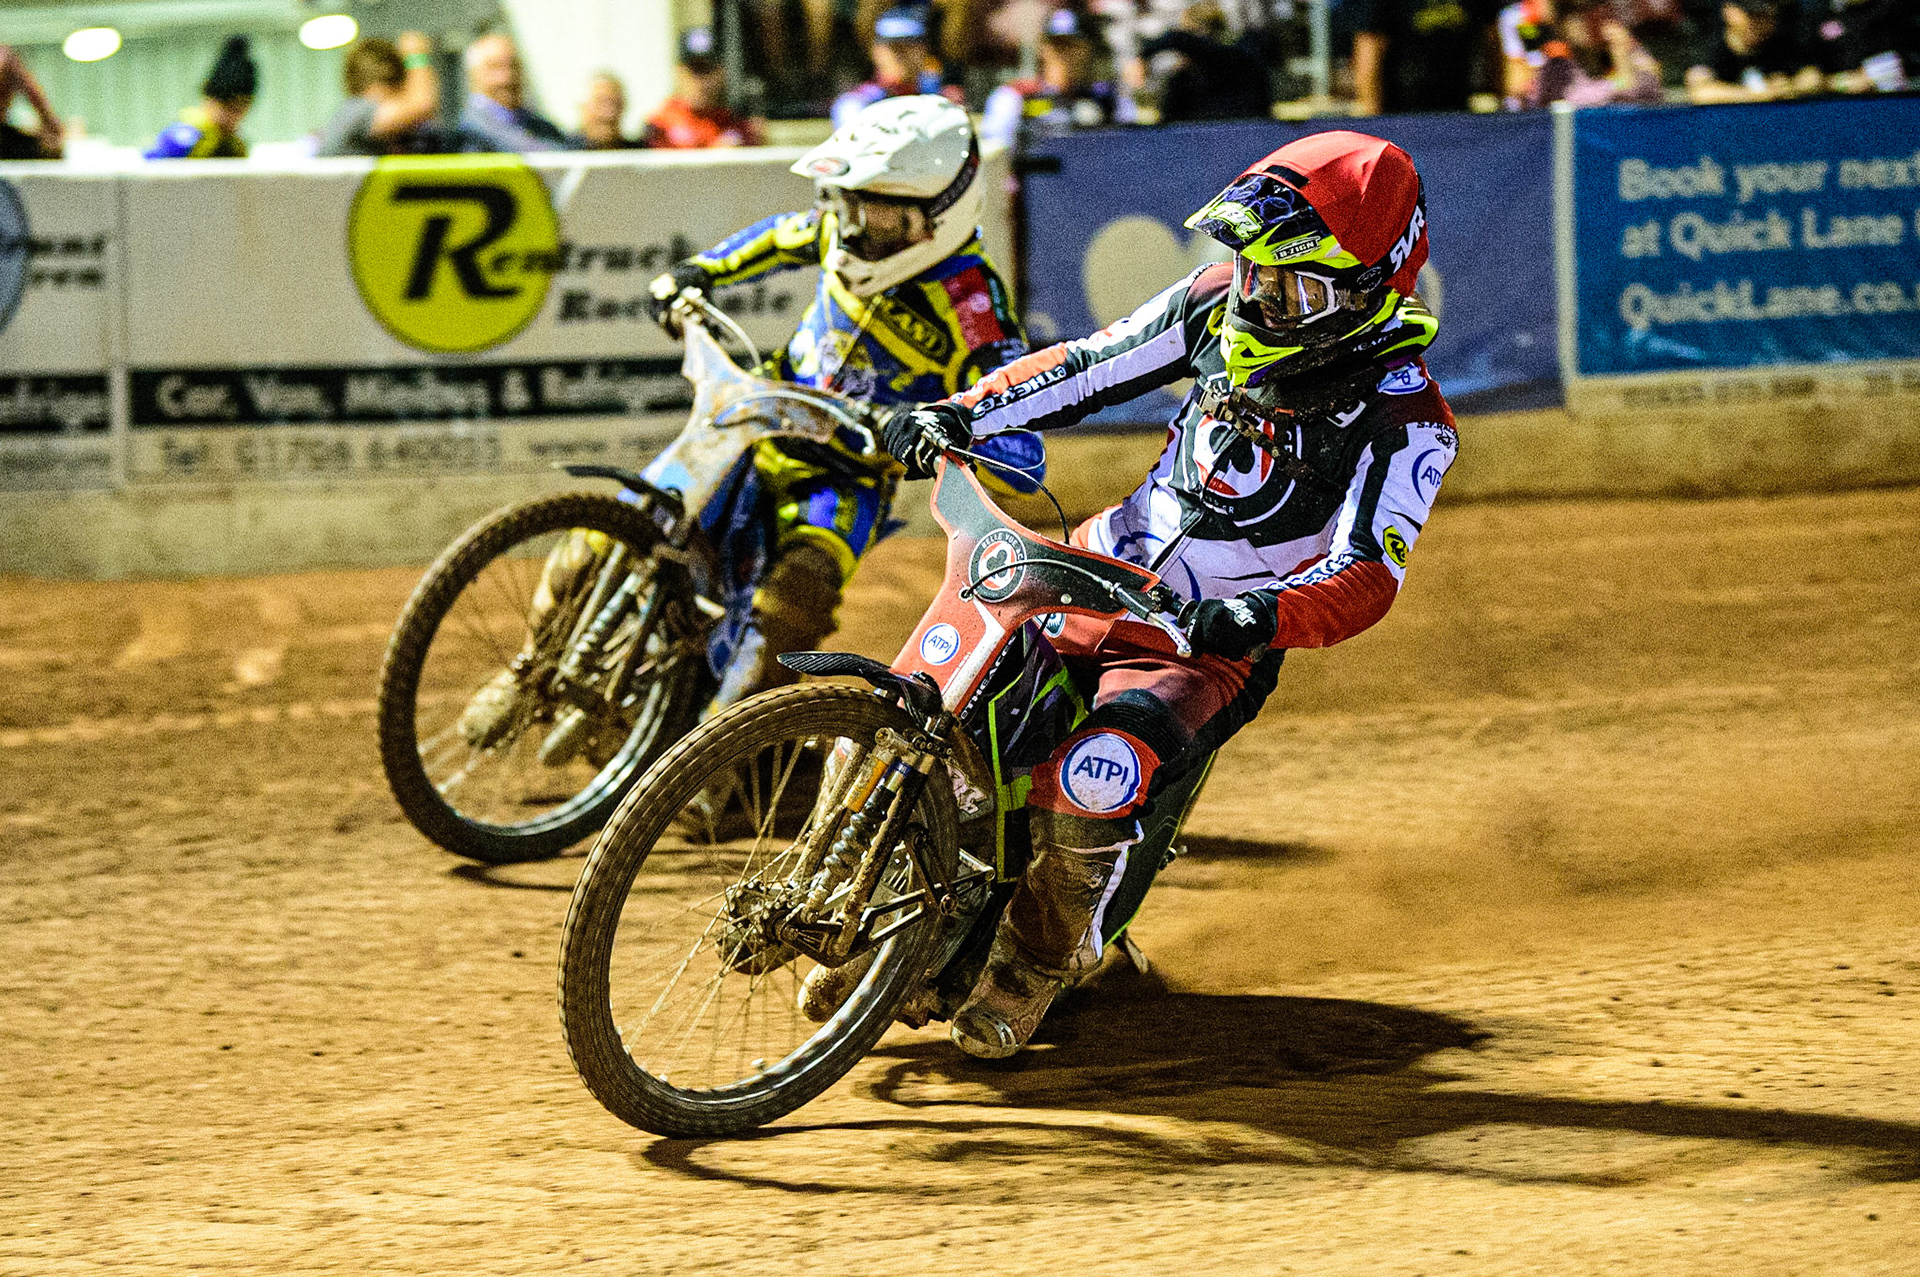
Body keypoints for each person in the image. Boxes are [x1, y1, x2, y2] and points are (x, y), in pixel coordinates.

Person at [880, 130, 1458, 1058]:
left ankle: (1032, 969)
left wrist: (1260, 613)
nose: (1261, 296)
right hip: (1092, 569)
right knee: (926, 714)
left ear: (1369, 284)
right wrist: (963, 412)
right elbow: (1084, 366)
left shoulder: (1406, 419)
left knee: (1086, 790)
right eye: (1255, 270)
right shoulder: (1214, 306)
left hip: (1203, 643)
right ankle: (891, 920)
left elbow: (1367, 574)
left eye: (1293, 284)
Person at [630, 97, 1043, 717]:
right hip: (758, 420)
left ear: (941, 216)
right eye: (848, 205)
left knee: (789, 610)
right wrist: (699, 271)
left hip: (846, 479)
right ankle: (527, 671)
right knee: (614, 526)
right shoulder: (838, 229)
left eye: (879, 215)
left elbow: (1023, 458)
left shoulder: (973, 308)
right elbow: (777, 237)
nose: (853, 231)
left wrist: (937, 434)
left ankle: (728, 759)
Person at [981, 7, 1129, 148]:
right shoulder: (1014, 97)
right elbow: (995, 154)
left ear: (1086, 49)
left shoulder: (1106, 99)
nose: (1064, 53)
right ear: (1043, 47)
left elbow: (1128, 145)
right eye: (1057, 44)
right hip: (1036, 171)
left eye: (1072, 45)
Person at [1347, 0, 1498, 114]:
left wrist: (1497, 94)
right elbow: (1369, 47)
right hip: (1400, 113)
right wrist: (1372, 112)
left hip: (1457, 108)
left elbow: (1492, 39)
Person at [832, 7, 967, 128]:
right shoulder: (858, 102)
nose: (901, 56)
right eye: (894, 48)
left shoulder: (941, 97)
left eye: (910, 46)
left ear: (924, 50)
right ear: (876, 51)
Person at [1140, 1, 1274, 122]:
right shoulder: (1183, 79)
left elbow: (1180, 39)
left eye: (1189, 32)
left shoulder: (1236, 62)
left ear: (1200, 33)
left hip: (1239, 131)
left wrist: (1142, 55)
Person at [315, 32, 443, 156]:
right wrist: (416, 57)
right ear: (398, 83)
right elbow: (421, 105)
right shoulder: (359, 110)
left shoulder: (348, 112)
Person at [643, 29, 765, 149]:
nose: (701, 81)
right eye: (695, 70)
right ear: (679, 73)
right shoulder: (661, 124)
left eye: (707, 70)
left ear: (721, 73)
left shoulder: (736, 125)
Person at [457, 32, 575, 152]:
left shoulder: (539, 125)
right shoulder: (471, 129)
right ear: (473, 74)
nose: (507, 77)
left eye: (513, 66)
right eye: (495, 67)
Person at [1684, 0, 1821, 100]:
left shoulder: (1783, 44)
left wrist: (1790, 86)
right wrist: (1757, 94)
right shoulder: (1711, 47)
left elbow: (1813, 77)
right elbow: (1701, 92)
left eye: (1765, 15)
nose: (1758, 23)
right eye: (1751, 15)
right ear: (1729, 12)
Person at [145, 36, 255, 159]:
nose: (230, 117)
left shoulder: (235, 145)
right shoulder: (183, 137)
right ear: (208, 100)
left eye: (239, 110)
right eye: (226, 107)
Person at [1806, 0, 1911, 92]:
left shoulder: (1890, 10)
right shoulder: (1822, 12)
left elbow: (1861, 82)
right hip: (1832, 101)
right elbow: (1811, 72)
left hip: (1884, 101)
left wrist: (1826, 83)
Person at [0, 45, 63, 160]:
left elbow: (33, 93)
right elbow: (33, 93)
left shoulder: (6, 57)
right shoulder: (6, 57)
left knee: (49, 150)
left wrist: (51, 126)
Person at [576, 73, 642, 150]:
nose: (609, 113)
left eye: (615, 103)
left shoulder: (640, 153)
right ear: (582, 106)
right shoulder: (562, 155)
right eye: (600, 102)